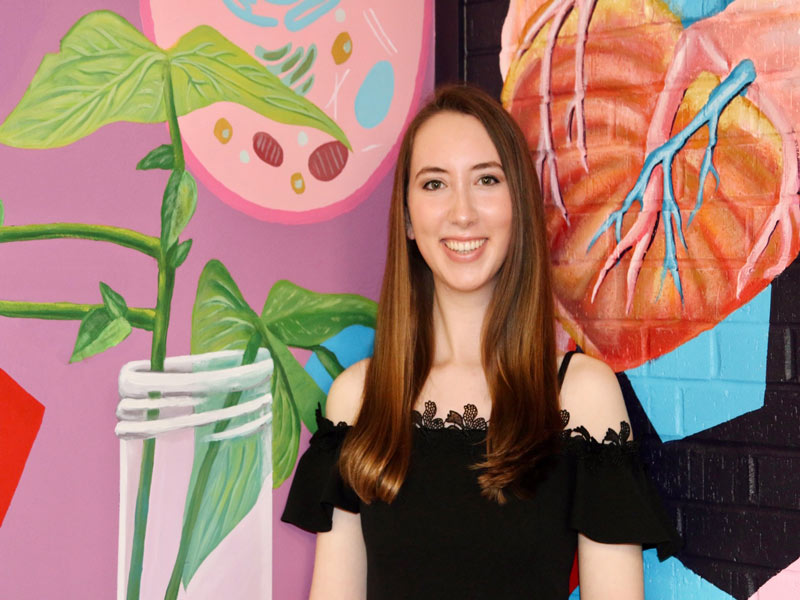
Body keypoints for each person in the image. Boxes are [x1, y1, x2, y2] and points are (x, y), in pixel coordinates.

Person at [281, 84, 681, 599]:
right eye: (434, 185)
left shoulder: (580, 395)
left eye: (487, 180)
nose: (462, 212)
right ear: (406, 216)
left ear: (518, 204)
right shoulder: (358, 399)